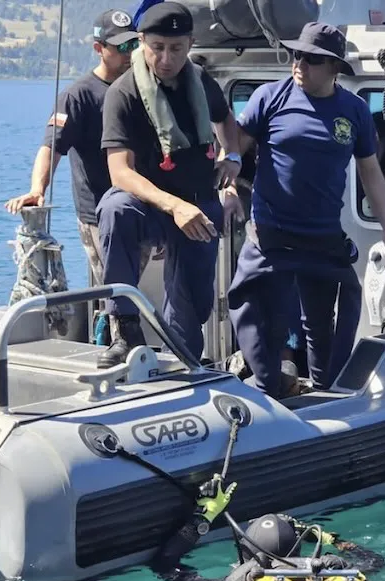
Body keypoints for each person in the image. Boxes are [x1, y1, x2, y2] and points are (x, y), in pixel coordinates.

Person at [224, 22, 385, 399]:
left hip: (322, 239)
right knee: (252, 310)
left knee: (323, 327)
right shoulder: (269, 97)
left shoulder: (354, 111)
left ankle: (326, 397)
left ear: (334, 68)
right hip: (270, 237)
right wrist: (227, 186)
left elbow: (371, 173)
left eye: (312, 59)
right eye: (296, 55)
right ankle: (268, 386)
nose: (299, 64)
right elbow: (235, 151)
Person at [96, 1, 243, 368]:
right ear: (142, 41)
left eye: (176, 48)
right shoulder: (123, 93)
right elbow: (120, 172)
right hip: (150, 207)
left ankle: (184, 362)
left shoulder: (201, 82)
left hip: (198, 204)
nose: (166, 58)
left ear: (190, 44)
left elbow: (226, 122)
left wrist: (233, 157)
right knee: (115, 208)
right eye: (157, 47)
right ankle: (125, 332)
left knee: (191, 310)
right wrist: (173, 206)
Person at [4, 9, 139, 293]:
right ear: (99, 49)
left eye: (133, 44)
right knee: (116, 292)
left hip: (141, 209)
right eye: (121, 47)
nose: (129, 53)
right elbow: (51, 146)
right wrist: (37, 189)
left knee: (140, 291)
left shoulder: (139, 88)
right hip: (99, 216)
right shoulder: (78, 96)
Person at [149, 474, 385, 581]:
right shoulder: (322, 579)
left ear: (246, 551)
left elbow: (164, 565)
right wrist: (336, 542)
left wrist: (204, 516)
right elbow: (375, 562)